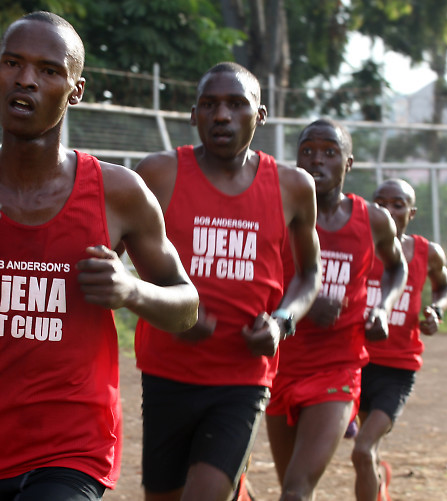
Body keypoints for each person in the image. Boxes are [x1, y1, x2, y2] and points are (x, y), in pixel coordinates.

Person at [0, 11, 199, 501]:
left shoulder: (118, 193)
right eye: (12, 63)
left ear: (76, 90)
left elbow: (187, 306)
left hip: (71, 455)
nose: (25, 79)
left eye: (48, 70)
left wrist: (131, 289)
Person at [133, 62, 323, 501]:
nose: (222, 115)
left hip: (244, 376)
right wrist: (167, 309)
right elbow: (114, 263)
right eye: (210, 105)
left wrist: (281, 322)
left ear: (261, 115)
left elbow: (309, 274)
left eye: (237, 104)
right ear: (193, 115)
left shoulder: (293, 186)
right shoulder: (159, 174)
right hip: (166, 372)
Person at [265, 118, 408, 501]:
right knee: (291, 490)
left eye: (330, 152)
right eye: (307, 151)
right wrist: (303, 308)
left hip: (338, 367)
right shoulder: (277, 214)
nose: (317, 160)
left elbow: (397, 267)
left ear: (348, 164)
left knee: (295, 491)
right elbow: (256, 281)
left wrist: (382, 307)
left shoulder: (373, 220)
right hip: (279, 366)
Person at [351, 178, 447, 501]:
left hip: (397, 369)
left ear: (412, 212)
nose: (388, 210)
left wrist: (436, 309)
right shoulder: (356, 243)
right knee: (369, 450)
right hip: (354, 361)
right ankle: (378, 481)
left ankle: (375, 477)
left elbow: (444, 286)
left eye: (398, 204)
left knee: (362, 448)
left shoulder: (426, 252)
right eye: (380, 202)